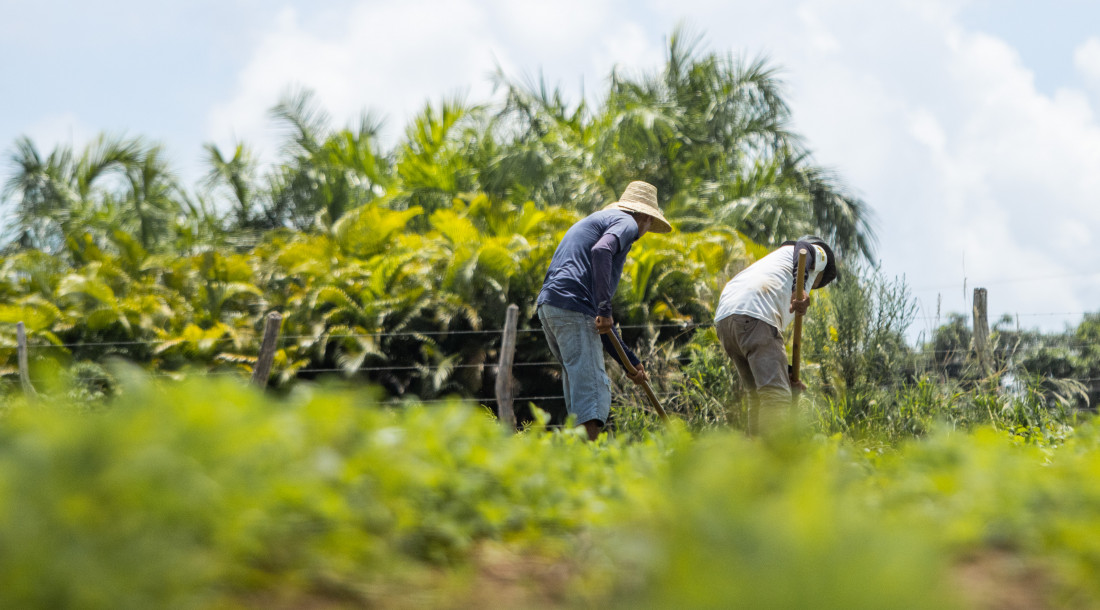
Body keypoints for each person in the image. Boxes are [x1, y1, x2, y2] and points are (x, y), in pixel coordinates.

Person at [536, 181, 673, 441]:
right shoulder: (627, 223)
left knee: (580, 388)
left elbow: (600, 327)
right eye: (648, 226)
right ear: (644, 217)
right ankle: (588, 463)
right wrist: (604, 308)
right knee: (592, 391)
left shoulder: (602, 219)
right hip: (573, 307)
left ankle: (576, 459)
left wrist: (630, 364)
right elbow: (602, 251)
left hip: (552, 306)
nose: (645, 232)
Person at [713, 235, 838, 435]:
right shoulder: (817, 255)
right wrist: (801, 287)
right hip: (755, 313)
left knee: (757, 396)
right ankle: (773, 459)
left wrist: (784, 371)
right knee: (776, 396)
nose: (812, 288)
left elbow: (763, 345)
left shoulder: (776, 260)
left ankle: (753, 457)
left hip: (726, 319)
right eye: (816, 285)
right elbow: (805, 247)